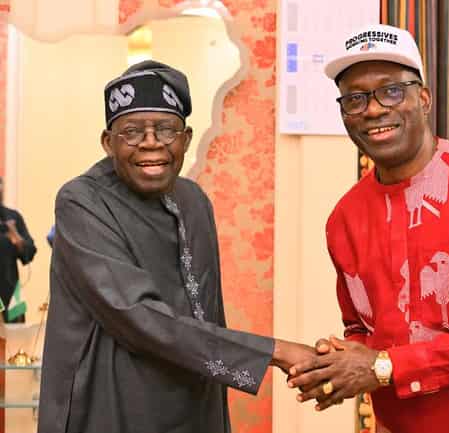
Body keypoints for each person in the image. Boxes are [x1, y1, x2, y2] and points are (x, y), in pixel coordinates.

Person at [288, 24, 449, 433]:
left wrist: (383, 366)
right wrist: (335, 364)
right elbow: (363, 329)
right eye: (355, 99)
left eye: (392, 91)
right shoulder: (345, 219)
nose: (373, 109)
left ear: (424, 99)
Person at [37, 60, 317, 433]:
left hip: (192, 400)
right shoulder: (81, 201)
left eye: (165, 129)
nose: (151, 142)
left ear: (185, 139)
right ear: (108, 143)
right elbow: (136, 315)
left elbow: (209, 313)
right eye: (132, 132)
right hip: (111, 403)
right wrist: (274, 352)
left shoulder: (194, 200)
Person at [0, 175, 36, 323]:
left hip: (11, 290)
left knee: (17, 332)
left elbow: (30, 251)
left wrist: (18, 240)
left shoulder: (12, 217)